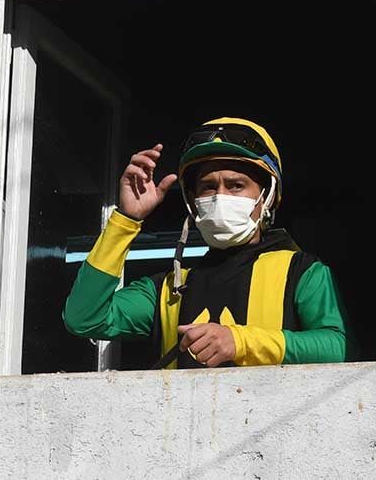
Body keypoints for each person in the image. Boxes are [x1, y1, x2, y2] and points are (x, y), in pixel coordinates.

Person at [63, 117, 353, 368]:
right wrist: (126, 219)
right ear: (192, 201)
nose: (219, 195)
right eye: (208, 186)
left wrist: (239, 341)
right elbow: (84, 318)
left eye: (236, 185)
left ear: (266, 196)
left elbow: (337, 348)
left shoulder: (303, 271)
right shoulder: (167, 290)